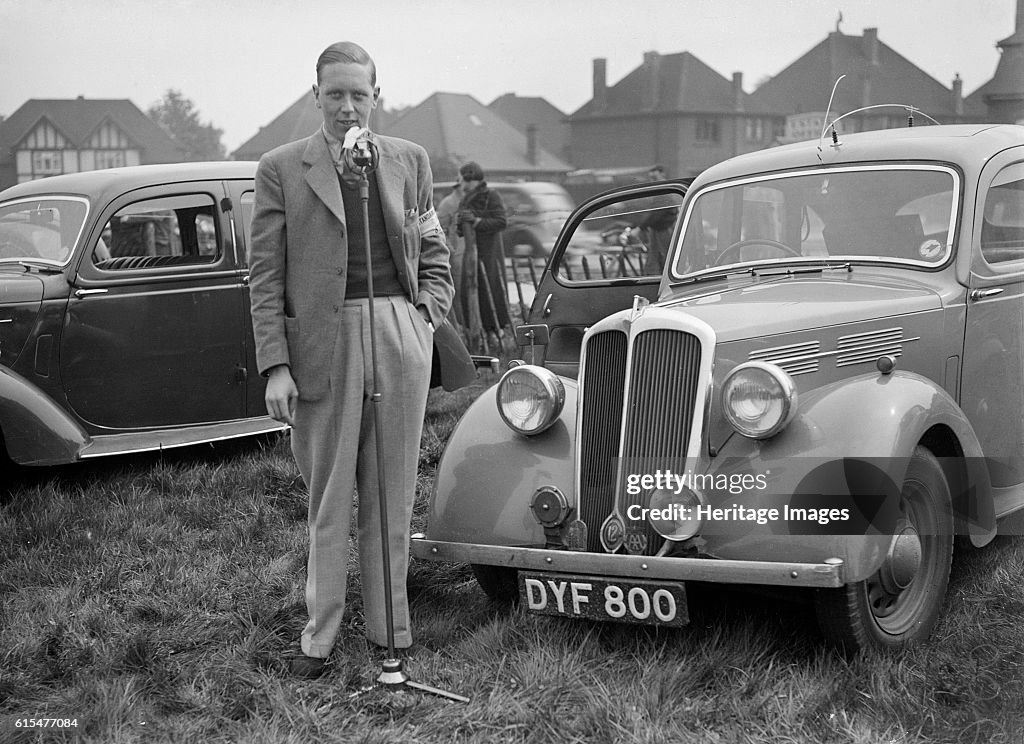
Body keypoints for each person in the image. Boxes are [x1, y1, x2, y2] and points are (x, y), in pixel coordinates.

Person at [248, 41, 453, 679]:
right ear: (315, 95)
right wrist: (275, 364)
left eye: (357, 94)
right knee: (331, 495)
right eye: (334, 94)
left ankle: (391, 630)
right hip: (321, 344)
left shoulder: (409, 160)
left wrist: (425, 318)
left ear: (376, 96)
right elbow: (264, 276)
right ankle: (322, 633)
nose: (346, 107)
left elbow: (434, 250)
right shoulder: (281, 168)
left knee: (393, 491)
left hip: (398, 330)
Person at [456, 162, 510, 337]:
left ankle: (495, 333)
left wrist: (476, 221)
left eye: (461, 178)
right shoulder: (466, 198)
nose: (460, 182)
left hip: (489, 253)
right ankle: (476, 333)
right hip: (471, 253)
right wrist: (461, 223)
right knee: (468, 293)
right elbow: (461, 230)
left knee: (490, 292)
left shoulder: (491, 196)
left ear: (469, 178)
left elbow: (501, 221)